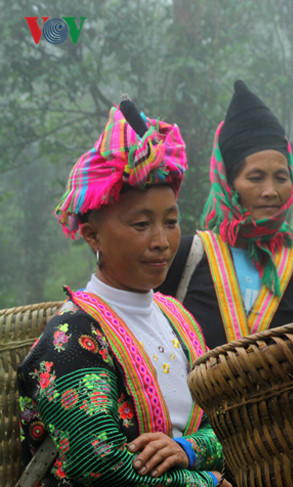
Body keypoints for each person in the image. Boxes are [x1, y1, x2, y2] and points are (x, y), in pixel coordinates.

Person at [17, 101, 229, 486]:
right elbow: (101, 469)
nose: (162, 242)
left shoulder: (177, 317)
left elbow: (229, 424)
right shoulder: (73, 337)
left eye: (171, 221)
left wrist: (191, 449)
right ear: (91, 234)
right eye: (142, 224)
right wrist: (209, 483)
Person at [158, 80, 293, 349]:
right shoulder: (186, 256)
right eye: (256, 177)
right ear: (228, 182)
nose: (271, 191)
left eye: (281, 177)